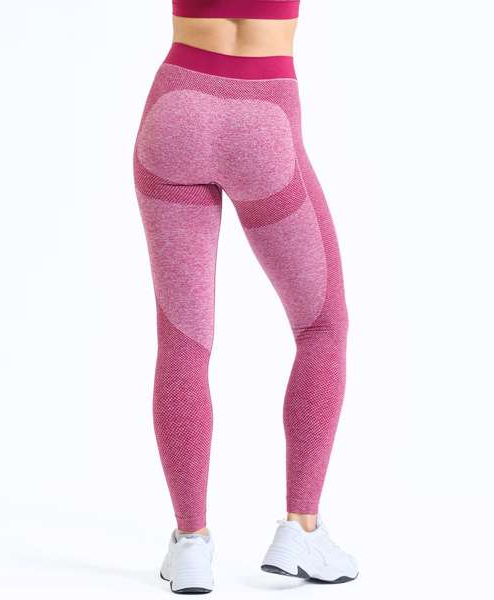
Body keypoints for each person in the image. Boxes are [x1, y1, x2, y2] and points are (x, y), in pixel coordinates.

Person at [133, 0, 358, 593]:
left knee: (183, 341)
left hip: (175, 108)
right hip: (263, 117)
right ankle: (301, 527)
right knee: (322, 326)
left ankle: (190, 543)